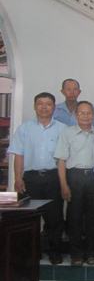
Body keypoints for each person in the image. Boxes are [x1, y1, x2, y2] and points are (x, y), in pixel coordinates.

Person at [8, 92, 66, 264]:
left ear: (54, 107)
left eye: (48, 104)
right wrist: (18, 178)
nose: (44, 107)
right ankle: (32, 251)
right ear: (34, 107)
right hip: (31, 178)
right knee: (30, 216)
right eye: (40, 103)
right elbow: (18, 155)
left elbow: (63, 158)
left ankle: (55, 251)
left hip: (53, 177)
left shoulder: (62, 129)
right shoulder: (25, 128)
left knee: (54, 217)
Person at [54, 101, 94, 266]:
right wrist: (64, 185)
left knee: (93, 217)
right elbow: (61, 161)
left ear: (93, 115)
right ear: (76, 115)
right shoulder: (67, 133)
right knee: (74, 217)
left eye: (89, 113)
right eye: (82, 113)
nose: (86, 116)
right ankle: (76, 254)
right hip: (74, 176)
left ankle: (91, 252)